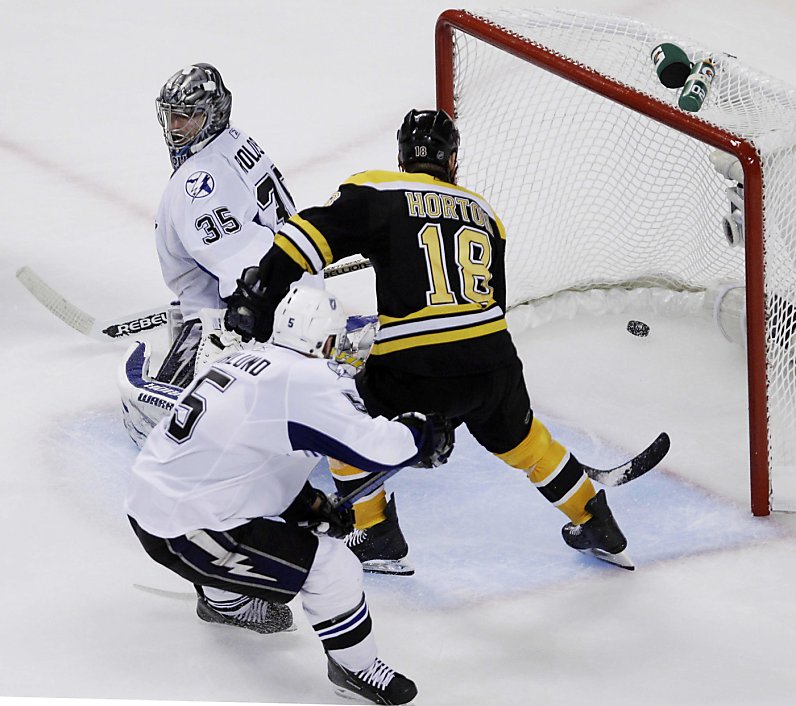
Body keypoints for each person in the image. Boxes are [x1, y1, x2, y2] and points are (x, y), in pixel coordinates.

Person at [223, 108, 635, 573]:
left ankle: (374, 530)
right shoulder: (486, 214)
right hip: (494, 362)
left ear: (402, 155)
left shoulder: (378, 189)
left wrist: (261, 297)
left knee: (344, 417)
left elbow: (305, 234)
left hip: (415, 368)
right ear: (452, 160)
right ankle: (594, 517)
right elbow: (485, 306)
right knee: (524, 442)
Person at [126, 285, 453, 705]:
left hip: (152, 508)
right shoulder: (306, 380)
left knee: (246, 522)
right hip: (188, 531)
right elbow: (369, 447)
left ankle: (222, 599)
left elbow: (249, 460)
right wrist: (420, 436)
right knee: (333, 567)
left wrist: (306, 504)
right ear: (326, 341)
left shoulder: (246, 360)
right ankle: (355, 668)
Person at [119, 62, 320, 446]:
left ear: (213, 116)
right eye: (172, 117)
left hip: (270, 315)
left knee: (173, 430)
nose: (176, 128)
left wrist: (238, 325)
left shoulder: (199, 183)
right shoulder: (236, 142)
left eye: (188, 118)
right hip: (297, 288)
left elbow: (249, 272)